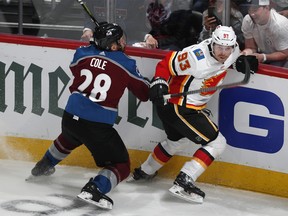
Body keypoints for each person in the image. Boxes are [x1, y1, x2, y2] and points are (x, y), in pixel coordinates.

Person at [128, 25, 258, 204]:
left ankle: (144, 172)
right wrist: (159, 81)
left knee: (176, 141)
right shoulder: (195, 57)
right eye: (219, 47)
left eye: (227, 48)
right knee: (217, 142)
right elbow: (166, 64)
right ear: (212, 43)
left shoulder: (232, 50)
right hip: (179, 106)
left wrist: (239, 62)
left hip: (180, 108)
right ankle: (184, 180)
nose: (223, 52)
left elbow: (232, 58)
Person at [30, 22, 150, 210]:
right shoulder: (126, 64)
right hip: (96, 125)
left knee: (69, 138)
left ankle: (43, 165)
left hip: (70, 117)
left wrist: (98, 49)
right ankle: (94, 189)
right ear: (112, 45)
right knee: (122, 164)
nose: (122, 43)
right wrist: (156, 86)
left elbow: (78, 66)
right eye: (119, 40)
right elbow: (144, 93)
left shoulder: (81, 54)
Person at [241, 0, 288, 68]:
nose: (251, 14)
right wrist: (245, 53)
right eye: (249, 10)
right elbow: (251, 47)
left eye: (255, 9)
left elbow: (285, 54)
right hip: (262, 55)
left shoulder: (280, 25)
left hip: (283, 59)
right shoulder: (248, 20)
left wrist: (264, 57)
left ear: (267, 7)